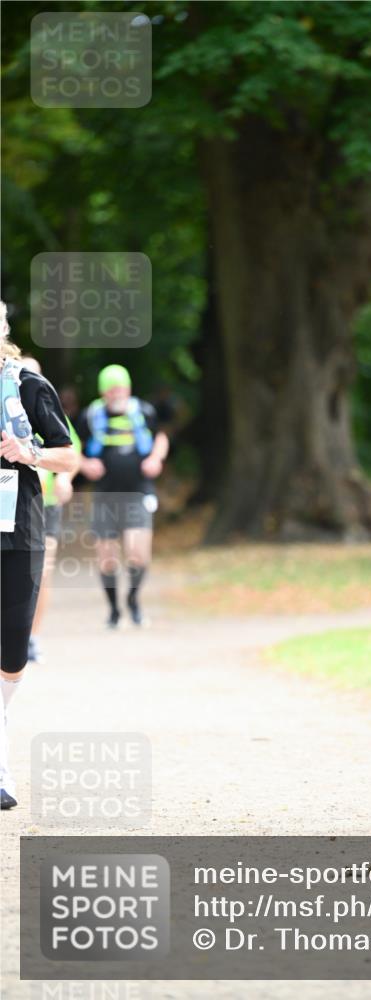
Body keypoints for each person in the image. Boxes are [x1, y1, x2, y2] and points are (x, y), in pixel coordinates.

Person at [0, 301, 77, 809]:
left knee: (10, 654)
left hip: (17, 529)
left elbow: (69, 454)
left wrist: (27, 453)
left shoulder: (28, 386)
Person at [79, 365, 169, 627]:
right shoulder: (90, 415)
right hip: (104, 495)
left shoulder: (144, 411)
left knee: (137, 553)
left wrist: (155, 458)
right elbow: (69, 444)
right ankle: (114, 610)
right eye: (112, 388)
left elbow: (161, 437)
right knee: (107, 558)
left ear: (128, 388)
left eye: (121, 388)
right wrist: (85, 464)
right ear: (103, 391)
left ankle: (133, 600)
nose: (117, 393)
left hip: (138, 492)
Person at [19, 357, 82, 664]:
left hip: (46, 505)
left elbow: (72, 454)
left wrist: (65, 479)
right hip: (15, 506)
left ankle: (32, 637)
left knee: (41, 573)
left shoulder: (47, 404)